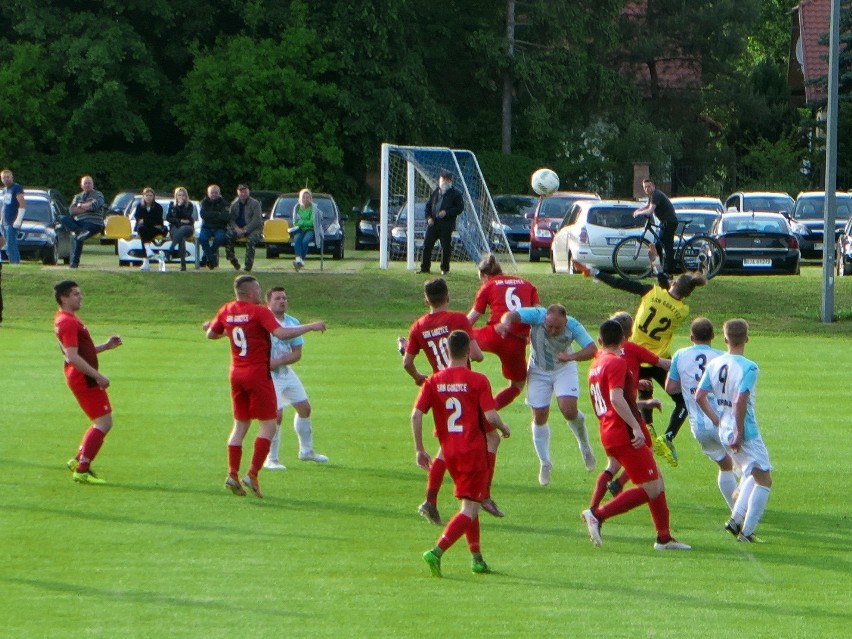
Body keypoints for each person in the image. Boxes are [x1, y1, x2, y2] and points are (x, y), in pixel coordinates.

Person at [574, 247, 706, 466]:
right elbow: (668, 288)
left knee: (638, 394)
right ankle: (668, 436)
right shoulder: (682, 310)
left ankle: (648, 430)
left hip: (634, 355)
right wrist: (657, 263)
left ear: (672, 285)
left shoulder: (651, 292)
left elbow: (621, 283)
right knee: (683, 402)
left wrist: (595, 272)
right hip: (659, 358)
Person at [204, 275, 327, 498]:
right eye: (258, 290)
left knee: (240, 426)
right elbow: (281, 333)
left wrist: (229, 331)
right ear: (251, 292)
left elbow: (211, 333)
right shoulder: (259, 311)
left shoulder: (227, 309)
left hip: (236, 373)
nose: (260, 294)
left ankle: (232, 473)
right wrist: (310, 326)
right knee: (269, 425)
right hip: (258, 374)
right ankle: (252, 474)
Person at [581, 319, 691, 551]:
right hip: (624, 432)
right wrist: (637, 426)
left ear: (600, 340)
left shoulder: (596, 363)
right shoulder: (616, 361)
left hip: (608, 431)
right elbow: (616, 399)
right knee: (651, 488)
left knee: (657, 481)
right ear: (623, 338)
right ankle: (598, 515)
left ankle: (664, 538)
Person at [402, 278, 505, 521]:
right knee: (492, 437)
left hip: (438, 387)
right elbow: (477, 355)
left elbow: (407, 363)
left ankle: (430, 500)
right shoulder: (458, 320)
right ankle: (485, 495)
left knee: (448, 445)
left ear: (426, 299)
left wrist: (419, 378)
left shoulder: (418, 327)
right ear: (448, 296)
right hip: (464, 386)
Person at [413, 329, 511, 577]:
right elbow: (489, 416)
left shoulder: (433, 381)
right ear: (468, 350)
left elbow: (415, 414)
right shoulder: (478, 380)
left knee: (470, 503)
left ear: (447, 350)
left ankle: (477, 559)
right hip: (472, 451)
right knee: (470, 508)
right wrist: (503, 427)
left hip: (448, 453)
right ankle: (436, 552)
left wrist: (420, 449)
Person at [496, 303, 598, 485]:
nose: (552, 330)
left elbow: (592, 349)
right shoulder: (537, 315)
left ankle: (584, 444)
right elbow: (511, 315)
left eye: (557, 328)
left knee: (568, 410)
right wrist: (505, 324)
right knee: (539, 415)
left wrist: (571, 357)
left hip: (563, 368)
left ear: (565, 322)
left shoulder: (573, 326)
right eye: (549, 326)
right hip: (538, 369)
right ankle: (545, 462)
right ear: (545, 319)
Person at [695, 319, 772, 543]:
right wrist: (739, 431)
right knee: (764, 479)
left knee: (752, 471)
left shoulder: (715, 364)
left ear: (725, 338)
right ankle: (747, 533)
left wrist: (716, 419)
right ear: (747, 338)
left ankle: (736, 519)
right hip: (744, 431)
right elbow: (741, 400)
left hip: (724, 429)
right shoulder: (749, 366)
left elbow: (700, 395)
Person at [590, 311, 668, 506]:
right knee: (653, 484)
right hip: (625, 421)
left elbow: (612, 394)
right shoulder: (629, 351)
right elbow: (661, 363)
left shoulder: (598, 359)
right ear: (626, 334)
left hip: (606, 422)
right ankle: (598, 513)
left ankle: (594, 506)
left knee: (612, 465)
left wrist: (635, 385)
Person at [53, 280, 123, 485]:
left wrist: (106, 346)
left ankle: (78, 460)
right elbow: (72, 356)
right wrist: (97, 376)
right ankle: (82, 469)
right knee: (103, 422)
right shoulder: (67, 322)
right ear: (64, 298)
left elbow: (80, 351)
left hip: (80, 376)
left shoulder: (64, 318)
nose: (80, 296)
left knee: (101, 421)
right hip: (84, 378)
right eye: (75, 294)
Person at [665, 318, 738, 510]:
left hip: (699, 426)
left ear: (691, 337)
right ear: (713, 336)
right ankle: (742, 512)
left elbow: (670, 387)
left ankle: (735, 510)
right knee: (747, 465)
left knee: (725, 465)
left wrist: (689, 387)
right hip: (723, 421)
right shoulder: (723, 357)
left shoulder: (680, 355)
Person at [263, 286, 328, 470]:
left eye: (284, 298)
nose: (282, 301)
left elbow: (297, 353)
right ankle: (272, 458)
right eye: (277, 298)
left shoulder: (292, 322)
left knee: (304, 408)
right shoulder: (262, 320)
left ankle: (306, 451)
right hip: (267, 375)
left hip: (283, 371)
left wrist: (278, 361)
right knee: (276, 414)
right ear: (268, 302)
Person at [467, 254, 539, 410]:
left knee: (460, 340)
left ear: (484, 276)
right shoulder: (528, 285)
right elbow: (538, 314)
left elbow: (472, 318)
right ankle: (488, 413)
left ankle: (459, 383)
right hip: (516, 342)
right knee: (517, 385)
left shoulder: (488, 285)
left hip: (494, 333)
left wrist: (453, 330)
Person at [418, 170, 464, 275]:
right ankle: (424, 268)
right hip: (433, 224)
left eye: (447, 180)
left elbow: (460, 208)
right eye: (443, 179)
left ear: (451, 181)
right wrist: (428, 218)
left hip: (446, 225)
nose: (445, 182)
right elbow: (428, 207)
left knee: (446, 247)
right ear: (439, 180)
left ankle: (445, 269)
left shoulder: (456, 194)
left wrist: (447, 212)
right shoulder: (435, 192)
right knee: (427, 246)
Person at [633, 177, 678, 275]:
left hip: (669, 222)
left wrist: (639, 214)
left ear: (653, 186)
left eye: (649, 186)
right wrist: (638, 210)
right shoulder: (652, 196)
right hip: (664, 222)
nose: (647, 189)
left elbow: (650, 211)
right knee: (657, 246)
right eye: (645, 187)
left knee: (667, 246)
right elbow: (647, 206)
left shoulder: (656, 195)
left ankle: (669, 273)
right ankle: (658, 271)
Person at [61, 175, 106, 269]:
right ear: (81, 185)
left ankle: (74, 264)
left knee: (79, 238)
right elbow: (72, 211)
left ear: (93, 184)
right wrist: (87, 207)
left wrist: (80, 206)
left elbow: (94, 206)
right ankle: (80, 231)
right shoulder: (77, 197)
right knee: (62, 218)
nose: (87, 185)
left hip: (94, 223)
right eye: (85, 183)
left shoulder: (98, 195)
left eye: (89, 183)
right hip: (79, 222)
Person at [224, 183, 263, 272]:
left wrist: (245, 229)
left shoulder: (255, 204)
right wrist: (236, 228)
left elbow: (257, 220)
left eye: (245, 192)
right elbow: (231, 219)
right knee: (227, 237)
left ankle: (248, 266)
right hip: (237, 229)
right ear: (238, 193)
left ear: (248, 192)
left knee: (251, 241)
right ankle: (233, 260)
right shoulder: (234, 204)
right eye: (241, 192)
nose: (243, 194)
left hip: (254, 229)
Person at [134, 188, 167, 271]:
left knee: (144, 232)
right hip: (145, 229)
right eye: (147, 195)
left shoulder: (158, 207)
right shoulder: (139, 206)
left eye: (150, 195)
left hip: (155, 230)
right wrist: (149, 221)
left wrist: (145, 220)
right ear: (143, 196)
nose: (149, 197)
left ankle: (146, 260)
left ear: (153, 197)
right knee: (142, 229)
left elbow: (158, 221)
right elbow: (138, 219)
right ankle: (147, 252)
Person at [198, 184, 229, 269]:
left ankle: (205, 258)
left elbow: (225, 217)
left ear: (219, 193)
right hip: (206, 227)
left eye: (216, 193)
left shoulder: (224, 203)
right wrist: (217, 214)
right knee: (202, 239)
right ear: (208, 193)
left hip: (219, 227)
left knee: (220, 238)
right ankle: (212, 259)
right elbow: (203, 215)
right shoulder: (204, 203)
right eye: (212, 193)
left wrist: (211, 216)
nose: (214, 194)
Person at [166, 186, 195, 271]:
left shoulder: (189, 205)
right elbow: (169, 218)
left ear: (186, 196)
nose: (181, 197)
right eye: (179, 195)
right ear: (176, 196)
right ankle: (183, 264)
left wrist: (180, 206)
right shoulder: (172, 204)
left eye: (183, 195)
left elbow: (187, 216)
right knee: (181, 237)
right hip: (175, 228)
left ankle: (170, 250)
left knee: (182, 229)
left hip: (188, 228)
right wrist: (180, 221)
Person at [1, 169, 26, 265]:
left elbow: (22, 203)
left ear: (12, 177)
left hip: (12, 220)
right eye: (4, 177)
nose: (6, 179)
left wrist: (18, 219)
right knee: (8, 244)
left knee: (11, 244)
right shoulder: (4, 190)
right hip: (4, 221)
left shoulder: (17, 188)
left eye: (8, 177)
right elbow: (4, 206)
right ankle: (15, 262)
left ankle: (14, 262)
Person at [290, 188, 316, 271]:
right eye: (303, 197)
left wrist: (301, 222)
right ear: (300, 198)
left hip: (310, 230)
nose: (305, 199)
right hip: (299, 229)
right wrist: (303, 222)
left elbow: (312, 222)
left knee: (305, 241)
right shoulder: (297, 207)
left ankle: (301, 259)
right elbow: (295, 222)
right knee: (297, 239)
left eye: (307, 197)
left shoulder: (313, 208)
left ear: (310, 198)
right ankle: (298, 259)